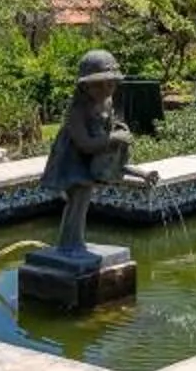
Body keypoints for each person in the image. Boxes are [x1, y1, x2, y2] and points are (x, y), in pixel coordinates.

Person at [42, 49, 136, 253]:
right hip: (71, 161)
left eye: (110, 84)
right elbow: (84, 143)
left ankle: (73, 241)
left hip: (89, 159)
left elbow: (106, 131)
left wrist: (118, 138)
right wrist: (112, 139)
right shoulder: (77, 111)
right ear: (85, 86)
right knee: (78, 197)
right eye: (98, 85)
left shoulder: (108, 103)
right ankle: (70, 243)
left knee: (83, 198)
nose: (105, 89)